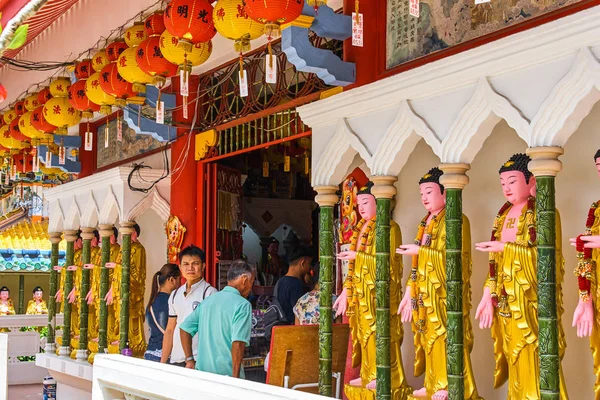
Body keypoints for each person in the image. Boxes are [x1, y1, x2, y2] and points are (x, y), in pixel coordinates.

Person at [475, 153, 567, 399]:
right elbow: (494, 263)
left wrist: (506, 248)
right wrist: (487, 293)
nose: (506, 188)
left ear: (532, 181)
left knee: (534, 353)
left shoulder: (545, 213)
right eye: (503, 183)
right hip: (506, 300)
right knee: (513, 354)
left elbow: (546, 258)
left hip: (532, 301)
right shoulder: (503, 215)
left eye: (512, 181)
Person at [396, 167, 480, 400]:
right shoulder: (425, 223)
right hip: (424, 291)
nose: (424, 197)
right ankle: (432, 381)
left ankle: (449, 382)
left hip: (444, 292)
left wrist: (421, 251)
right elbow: (416, 264)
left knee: (446, 335)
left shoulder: (457, 220)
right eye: (422, 192)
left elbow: (455, 258)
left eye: (429, 192)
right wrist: (408, 292)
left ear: (445, 193)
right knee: (427, 337)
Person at [180, 259, 254, 378]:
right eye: (252, 281)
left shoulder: (208, 301)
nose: (251, 287)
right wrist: (235, 378)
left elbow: (184, 328)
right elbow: (238, 343)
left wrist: (189, 360)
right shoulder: (242, 305)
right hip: (227, 375)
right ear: (244, 279)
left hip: (202, 375)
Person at [161, 245, 217, 366]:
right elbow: (170, 330)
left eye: (195, 263)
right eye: (186, 264)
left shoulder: (209, 293)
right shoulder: (175, 294)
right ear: (180, 267)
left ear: (203, 266)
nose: (190, 268)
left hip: (200, 359)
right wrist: (162, 362)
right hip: (176, 358)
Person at [144, 263, 181, 362]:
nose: (180, 283)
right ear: (171, 280)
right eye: (179, 279)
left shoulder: (152, 302)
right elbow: (170, 331)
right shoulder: (171, 302)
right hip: (164, 354)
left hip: (150, 352)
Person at [274, 244, 312, 324]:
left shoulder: (280, 281)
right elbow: (300, 313)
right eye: (309, 263)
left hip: (280, 327)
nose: (310, 268)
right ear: (303, 263)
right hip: (291, 328)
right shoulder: (296, 284)